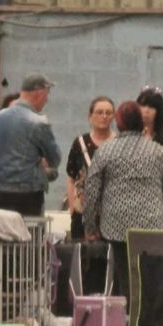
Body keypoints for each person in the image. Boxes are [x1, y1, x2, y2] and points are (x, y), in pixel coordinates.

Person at [83, 101, 163, 300]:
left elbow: (91, 192)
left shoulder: (105, 151)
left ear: (118, 123)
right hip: (151, 223)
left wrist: (90, 227)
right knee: (149, 275)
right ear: (140, 122)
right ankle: (146, 319)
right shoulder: (158, 151)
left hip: (117, 225)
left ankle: (128, 317)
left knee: (125, 274)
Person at [0, 72, 61, 216]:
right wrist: (41, 161)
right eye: (47, 93)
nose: (47, 99)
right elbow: (55, 159)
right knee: (27, 235)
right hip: (26, 192)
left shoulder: (0, 116)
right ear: (39, 93)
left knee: (1, 234)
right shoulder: (38, 122)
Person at [65, 96, 115, 240]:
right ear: (90, 116)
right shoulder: (79, 143)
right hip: (82, 213)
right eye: (99, 112)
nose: (104, 116)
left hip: (111, 215)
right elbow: (70, 177)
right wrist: (72, 208)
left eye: (108, 113)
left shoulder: (119, 143)